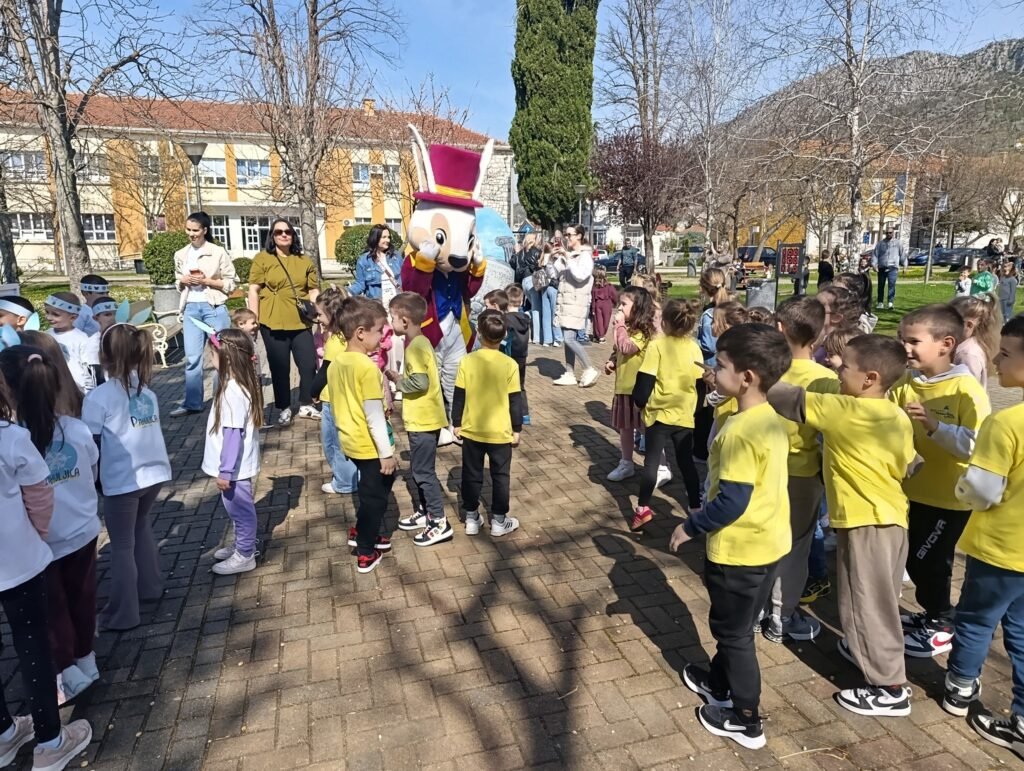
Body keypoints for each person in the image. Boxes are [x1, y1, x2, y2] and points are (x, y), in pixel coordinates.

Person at [770, 334, 917, 716]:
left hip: (865, 523)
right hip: (892, 518)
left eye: (844, 366)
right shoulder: (895, 415)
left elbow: (787, 398)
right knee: (880, 598)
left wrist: (757, 372)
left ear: (870, 378)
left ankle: (889, 687)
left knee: (864, 603)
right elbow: (910, 464)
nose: (836, 369)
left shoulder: (845, 409)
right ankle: (870, 654)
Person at [671, 324, 792, 750]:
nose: (712, 370)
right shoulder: (769, 418)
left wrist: (690, 526)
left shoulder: (741, 431)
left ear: (747, 377)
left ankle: (746, 718)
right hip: (769, 544)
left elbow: (733, 501)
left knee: (734, 635)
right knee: (737, 626)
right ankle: (719, 683)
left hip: (740, 552)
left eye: (720, 365)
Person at [0, 374, 92, 770]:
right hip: (17, 561)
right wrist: (35, 538)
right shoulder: (12, 439)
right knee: (33, 647)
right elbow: (40, 496)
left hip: (18, 558)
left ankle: (4, 733)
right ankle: (51, 741)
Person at [942, 315, 1024, 759]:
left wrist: (962, 490)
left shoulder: (1007, 423)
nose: (995, 362)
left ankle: (959, 688)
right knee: (1023, 630)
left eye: (1005, 354)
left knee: (975, 619)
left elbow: (982, 490)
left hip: (1001, 547)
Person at [890, 304, 991, 657]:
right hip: (912, 491)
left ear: (946, 344)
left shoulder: (966, 390)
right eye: (902, 340)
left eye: (913, 341)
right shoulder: (906, 382)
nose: (905, 348)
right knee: (913, 559)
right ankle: (932, 614)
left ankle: (942, 622)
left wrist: (936, 427)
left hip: (949, 498)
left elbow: (977, 446)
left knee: (929, 561)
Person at [760, 298, 839, 644]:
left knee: (762, 539)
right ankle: (781, 616)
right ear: (819, 336)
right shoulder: (827, 379)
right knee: (794, 547)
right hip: (802, 475)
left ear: (779, 328)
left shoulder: (765, 369)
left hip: (761, 468)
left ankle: (756, 610)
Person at [82, 324, 171, 630]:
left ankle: (123, 614)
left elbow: (91, 445)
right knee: (140, 527)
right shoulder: (147, 391)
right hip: (154, 474)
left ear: (103, 356)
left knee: (121, 545)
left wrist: (93, 482)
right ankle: (150, 587)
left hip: (123, 481)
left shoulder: (98, 398)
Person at [326, 297, 396, 574]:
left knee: (374, 489)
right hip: (369, 445)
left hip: (350, 440)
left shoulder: (336, 363)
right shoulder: (367, 368)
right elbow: (374, 416)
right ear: (360, 333)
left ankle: (364, 531)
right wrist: (386, 453)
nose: (382, 337)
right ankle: (365, 550)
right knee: (375, 496)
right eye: (379, 331)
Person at [630, 299, 704, 529]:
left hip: (659, 414)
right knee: (686, 463)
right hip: (684, 414)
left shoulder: (657, 346)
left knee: (651, 463)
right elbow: (701, 384)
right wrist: (696, 409)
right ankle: (695, 508)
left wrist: (638, 403)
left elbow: (645, 380)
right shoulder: (694, 347)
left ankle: (642, 509)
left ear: (664, 321)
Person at [453, 309, 523, 538]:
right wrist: (517, 429)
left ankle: (471, 517)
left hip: (472, 429)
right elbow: (515, 400)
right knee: (501, 477)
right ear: (504, 336)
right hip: (500, 431)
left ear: (479, 334)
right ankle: (499, 520)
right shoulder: (510, 364)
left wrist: (456, 422)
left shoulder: (467, 361)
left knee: (471, 475)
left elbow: (459, 395)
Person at [389, 292, 451, 547]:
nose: (391, 322)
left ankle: (439, 522)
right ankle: (426, 512)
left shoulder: (415, 347)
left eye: (392, 317)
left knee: (424, 472)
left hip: (423, 420)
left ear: (404, 321)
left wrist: (398, 382)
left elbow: (420, 383)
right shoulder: (421, 342)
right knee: (419, 469)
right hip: (425, 418)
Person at [247, 218, 320, 427]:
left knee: (308, 365)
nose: (284, 235)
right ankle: (284, 407)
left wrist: (320, 313)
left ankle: (306, 403)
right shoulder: (263, 259)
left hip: (301, 321)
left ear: (293, 235)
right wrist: (254, 319)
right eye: (278, 232)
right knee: (280, 368)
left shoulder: (303, 260)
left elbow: (313, 290)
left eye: (288, 231)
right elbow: (254, 289)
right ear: (272, 236)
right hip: (273, 321)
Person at [202, 328, 263, 576]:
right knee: (237, 510)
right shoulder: (236, 384)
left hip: (234, 469)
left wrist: (225, 471)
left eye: (212, 354)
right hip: (235, 467)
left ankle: (245, 554)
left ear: (226, 357)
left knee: (240, 511)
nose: (210, 359)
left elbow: (232, 435)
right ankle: (242, 545)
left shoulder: (232, 391)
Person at [170, 212, 237, 418]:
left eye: (196, 230)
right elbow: (177, 281)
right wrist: (183, 281)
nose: (191, 234)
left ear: (205, 230)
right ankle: (193, 403)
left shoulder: (217, 252)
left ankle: (224, 401)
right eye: (188, 230)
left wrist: (207, 281)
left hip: (213, 307)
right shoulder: (181, 254)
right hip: (191, 308)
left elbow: (231, 282)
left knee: (222, 356)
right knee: (192, 358)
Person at [604, 287, 657, 484]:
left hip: (638, 390)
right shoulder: (626, 328)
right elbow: (618, 349)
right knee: (625, 428)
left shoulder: (643, 331)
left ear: (638, 307)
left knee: (646, 429)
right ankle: (626, 463)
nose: (619, 308)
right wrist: (612, 361)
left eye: (624, 304)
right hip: (622, 388)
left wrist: (618, 325)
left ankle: (660, 465)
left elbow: (627, 347)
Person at [310, 288, 359, 496]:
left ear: (332, 314)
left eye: (320, 314)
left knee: (333, 443)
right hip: (344, 398)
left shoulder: (335, 342)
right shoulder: (347, 337)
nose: (317, 318)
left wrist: (313, 391)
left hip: (333, 400)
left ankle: (344, 482)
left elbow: (325, 372)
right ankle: (350, 477)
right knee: (341, 441)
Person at [552, 225, 598, 387]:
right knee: (567, 339)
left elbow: (580, 276)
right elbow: (553, 274)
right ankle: (569, 373)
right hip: (565, 302)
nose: (567, 238)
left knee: (569, 338)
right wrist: (552, 258)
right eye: (565, 235)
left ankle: (589, 368)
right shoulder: (569, 255)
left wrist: (568, 258)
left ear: (579, 236)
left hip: (576, 302)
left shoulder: (585, 256)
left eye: (569, 235)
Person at [695, 268, 731, 468]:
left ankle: (703, 451)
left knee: (707, 410)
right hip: (729, 365)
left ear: (704, 288)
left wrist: (694, 342)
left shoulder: (709, 314)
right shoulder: (733, 307)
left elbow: (709, 345)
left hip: (710, 366)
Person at [44, 293, 97, 393]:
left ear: (72, 317)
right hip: (52, 387)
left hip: (77, 389)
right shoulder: (46, 335)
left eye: (55, 314)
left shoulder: (81, 338)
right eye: (47, 312)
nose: (49, 317)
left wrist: (89, 392)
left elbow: (88, 367)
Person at [950, 295, 1000, 389]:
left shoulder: (967, 354)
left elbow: (967, 390)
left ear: (968, 325)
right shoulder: (970, 346)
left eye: (950, 321)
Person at [504, 285, 532, 425]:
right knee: (520, 384)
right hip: (522, 355)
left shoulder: (505, 319)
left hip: (509, 355)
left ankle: (508, 412)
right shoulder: (525, 318)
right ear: (521, 301)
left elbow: (504, 338)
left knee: (507, 385)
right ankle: (524, 413)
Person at [527, 244, 562, 347]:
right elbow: (555, 273)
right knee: (555, 313)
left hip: (543, 287)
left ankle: (547, 339)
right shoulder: (553, 258)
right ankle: (557, 338)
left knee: (546, 314)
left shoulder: (541, 258)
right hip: (553, 286)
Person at [872, 228, 905, 310]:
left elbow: (902, 255)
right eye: (887, 233)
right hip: (882, 267)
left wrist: (905, 265)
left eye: (890, 232)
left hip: (893, 267)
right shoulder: (880, 244)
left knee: (891, 285)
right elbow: (875, 255)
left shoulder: (898, 243)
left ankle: (890, 303)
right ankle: (880, 303)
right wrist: (874, 265)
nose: (888, 234)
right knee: (881, 285)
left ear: (893, 233)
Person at [591, 267, 617, 342]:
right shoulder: (609, 286)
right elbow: (614, 295)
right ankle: (601, 335)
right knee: (605, 321)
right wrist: (615, 303)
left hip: (598, 303)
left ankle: (599, 335)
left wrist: (593, 308)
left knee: (598, 321)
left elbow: (593, 298)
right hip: (606, 304)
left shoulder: (595, 287)